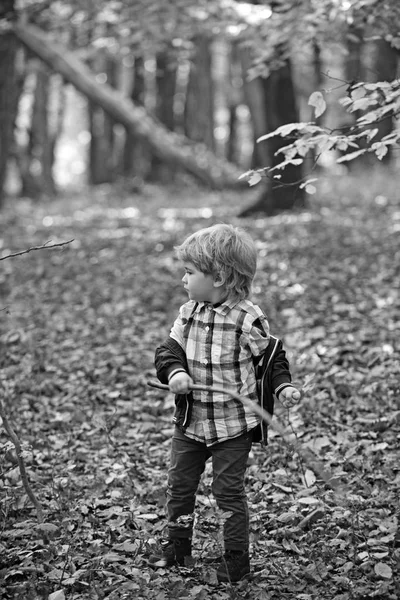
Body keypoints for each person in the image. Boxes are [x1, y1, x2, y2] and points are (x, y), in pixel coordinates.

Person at [150, 223, 300, 582]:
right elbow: (167, 351)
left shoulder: (247, 318)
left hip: (234, 426)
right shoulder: (189, 313)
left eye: (189, 272)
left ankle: (235, 560)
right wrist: (174, 373)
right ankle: (177, 551)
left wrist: (282, 388)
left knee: (228, 493)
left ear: (218, 277)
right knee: (179, 486)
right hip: (191, 423)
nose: (183, 280)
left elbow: (271, 360)